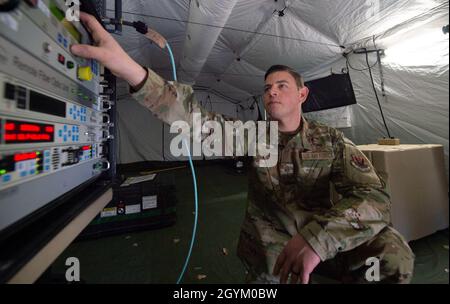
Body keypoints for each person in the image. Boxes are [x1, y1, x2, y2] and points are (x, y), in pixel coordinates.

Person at [71, 12, 415, 284]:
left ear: (302, 94)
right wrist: (131, 70)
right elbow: (195, 120)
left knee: (393, 254)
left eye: (282, 86)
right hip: (271, 246)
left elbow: (376, 198)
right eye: (267, 88)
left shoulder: (332, 141)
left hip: (325, 236)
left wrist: (320, 238)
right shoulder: (253, 135)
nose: (272, 93)